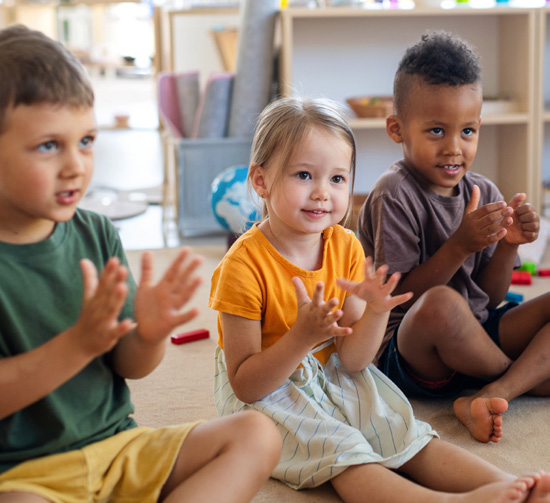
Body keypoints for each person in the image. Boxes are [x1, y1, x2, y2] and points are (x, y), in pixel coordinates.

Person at [209, 94, 550, 502]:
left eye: (337, 179)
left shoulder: (346, 246)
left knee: (402, 432)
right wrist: (301, 337)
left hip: (333, 373)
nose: (322, 193)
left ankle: (502, 485)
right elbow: (245, 385)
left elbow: (353, 360)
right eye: (304, 175)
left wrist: (374, 312)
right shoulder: (241, 267)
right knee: (345, 454)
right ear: (261, 180)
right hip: (269, 391)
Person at [0, 24, 281, 503]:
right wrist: (77, 344)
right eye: (50, 145)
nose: (76, 166)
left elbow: (129, 366)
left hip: (118, 448)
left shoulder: (96, 233)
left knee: (257, 435)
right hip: (26, 476)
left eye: (86, 140)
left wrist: (147, 335)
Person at [357, 30, 550, 445]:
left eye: (467, 132)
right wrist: (460, 244)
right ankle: (520, 378)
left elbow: (489, 299)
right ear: (397, 128)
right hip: (409, 349)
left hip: (476, 335)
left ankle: (495, 392)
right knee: (442, 305)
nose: (454, 148)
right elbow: (400, 299)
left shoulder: (485, 192)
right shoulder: (394, 193)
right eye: (436, 131)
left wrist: (508, 245)